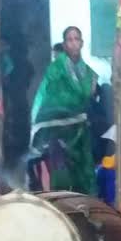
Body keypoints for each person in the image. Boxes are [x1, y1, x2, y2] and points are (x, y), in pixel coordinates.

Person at [29, 26, 98, 194]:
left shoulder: (89, 73)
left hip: (80, 132)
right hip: (57, 133)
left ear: (82, 43)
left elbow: (90, 96)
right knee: (61, 176)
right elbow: (47, 98)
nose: (74, 43)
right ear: (65, 44)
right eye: (70, 40)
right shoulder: (55, 70)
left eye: (77, 39)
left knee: (84, 174)